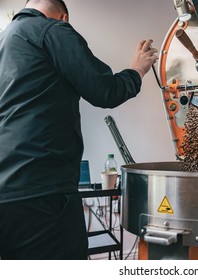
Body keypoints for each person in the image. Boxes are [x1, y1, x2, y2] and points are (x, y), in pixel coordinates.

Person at [0, 0, 158, 259]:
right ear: (64, 18)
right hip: (42, 195)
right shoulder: (52, 30)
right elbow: (106, 91)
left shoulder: (5, 41)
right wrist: (137, 69)